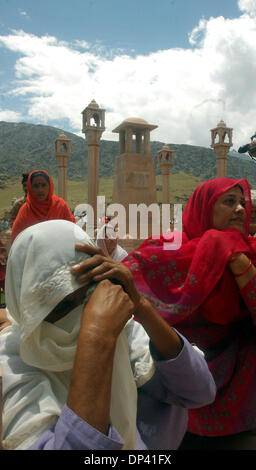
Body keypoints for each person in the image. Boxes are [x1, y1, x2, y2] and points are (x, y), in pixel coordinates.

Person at [71, 177, 256, 449]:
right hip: (173, 392)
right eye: (229, 201)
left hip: (240, 396)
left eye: (243, 202)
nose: (240, 208)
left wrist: (236, 258)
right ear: (203, 207)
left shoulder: (249, 252)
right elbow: (127, 281)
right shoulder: (169, 248)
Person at [0, 219, 215, 450]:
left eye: (87, 295)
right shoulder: (13, 360)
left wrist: (140, 304)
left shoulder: (120, 329)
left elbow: (199, 391)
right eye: (61, 305)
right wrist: (96, 339)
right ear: (25, 306)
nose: (84, 314)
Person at [11, 170, 75, 243]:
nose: (40, 190)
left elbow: (72, 229)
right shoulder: (26, 210)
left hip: (60, 250)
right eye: (36, 186)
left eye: (44, 185)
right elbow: (17, 239)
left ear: (50, 186)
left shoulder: (60, 205)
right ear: (30, 188)